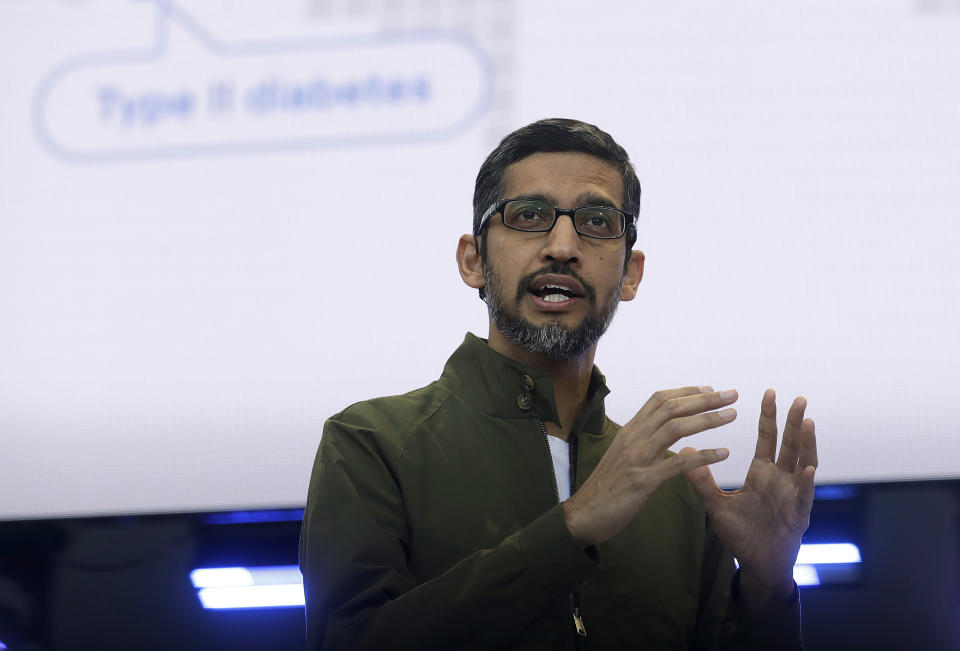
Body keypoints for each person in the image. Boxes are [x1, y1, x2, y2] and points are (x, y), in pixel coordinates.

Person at [299, 118, 818, 650]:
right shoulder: (371, 443)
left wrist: (765, 590)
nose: (564, 246)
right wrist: (571, 528)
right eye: (528, 215)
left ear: (631, 274)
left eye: (596, 221)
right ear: (473, 261)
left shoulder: (676, 493)